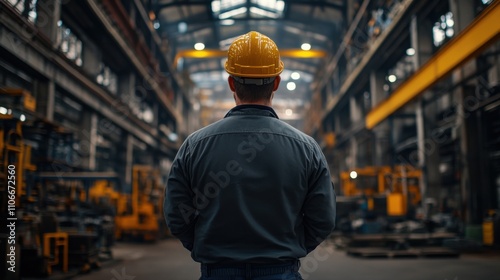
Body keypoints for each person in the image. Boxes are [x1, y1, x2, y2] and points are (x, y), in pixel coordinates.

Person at [164, 31, 336, 280]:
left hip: (217, 271)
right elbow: (324, 220)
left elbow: (176, 215)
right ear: (276, 82)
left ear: (231, 83)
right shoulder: (307, 148)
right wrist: (289, 248)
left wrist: (206, 247)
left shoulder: (195, 146)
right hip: (280, 271)